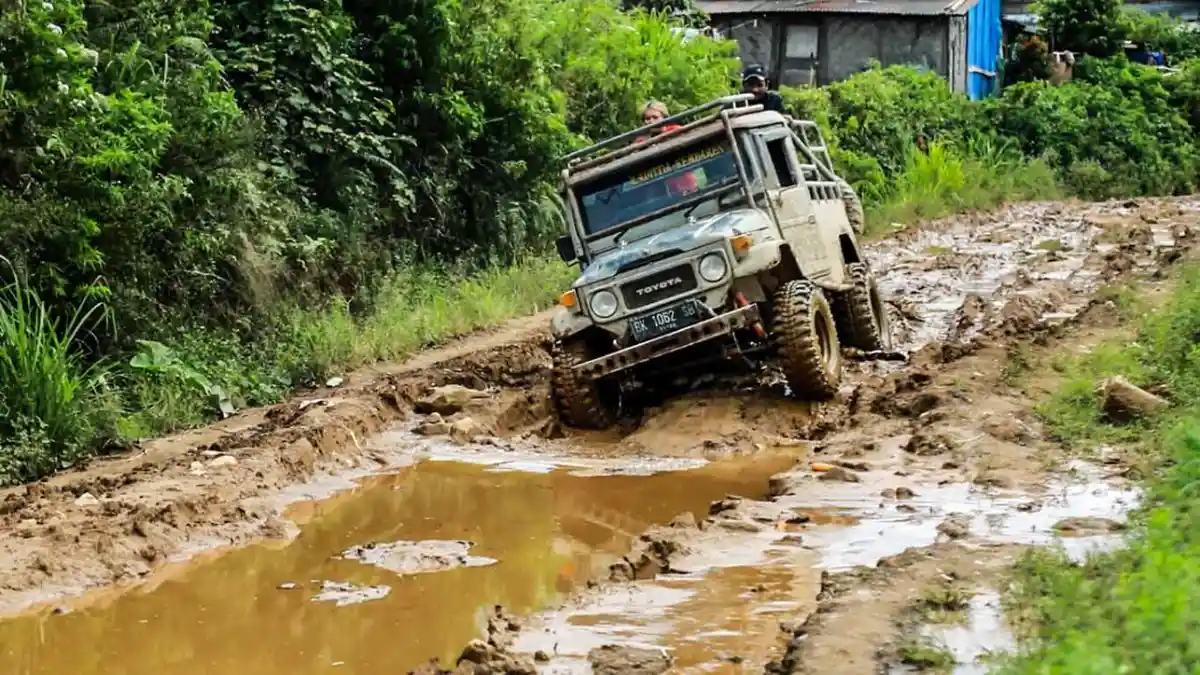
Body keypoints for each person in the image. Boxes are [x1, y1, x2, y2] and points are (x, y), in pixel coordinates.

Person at [634, 101, 698, 196]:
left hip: (684, 179)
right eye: (647, 118)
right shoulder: (640, 142)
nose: (651, 121)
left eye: (655, 117)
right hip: (658, 185)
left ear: (664, 117)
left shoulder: (676, 131)